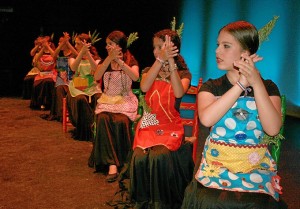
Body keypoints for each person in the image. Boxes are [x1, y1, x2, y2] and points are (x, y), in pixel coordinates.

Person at [181, 21, 286, 209]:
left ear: (245, 53)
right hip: (217, 164)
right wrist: (240, 85)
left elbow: (272, 129)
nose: (217, 51)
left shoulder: (269, 88)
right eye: (218, 45)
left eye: (226, 46)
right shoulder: (211, 87)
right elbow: (206, 119)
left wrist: (256, 83)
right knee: (210, 201)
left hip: (255, 165)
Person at [130, 29, 194, 209]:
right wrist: (160, 60)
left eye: (161, 47)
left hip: (170, 122)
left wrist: (171, 61)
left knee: (159, 155)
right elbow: (143, 87)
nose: (156, 51)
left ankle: (160, 202)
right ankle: (143, 201)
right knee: (140, 156)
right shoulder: (149, 70)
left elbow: (179, 92)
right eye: (155, 48)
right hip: (150, 119)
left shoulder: (183, 74)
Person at [88, 30, 139, 183]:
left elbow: (136, 77)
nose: (106, 47)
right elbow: (96, 77)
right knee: (102, 118)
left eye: (110, 44)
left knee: (121, 121)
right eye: (107, 44)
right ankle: (111, 163)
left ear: (118, 46)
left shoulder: (131, 60)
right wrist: (109, 59)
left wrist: (121, 62)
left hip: (124, 100)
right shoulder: (106, 61)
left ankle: (122, 160)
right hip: (107, 100)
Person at [66, 33, 101, 141]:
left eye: (77, 43)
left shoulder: (96, 57)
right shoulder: (73, 57)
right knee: (81, 99)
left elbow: (96, 69)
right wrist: (81, 53)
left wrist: (88, 53)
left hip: (91, 86)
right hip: (77, 86)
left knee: (99, 97)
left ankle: (98, 127)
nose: (75, 46)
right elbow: (73, 67)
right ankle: (87, 128)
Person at [41, 32, 78, 121]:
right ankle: (61, 114)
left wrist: (67, 42)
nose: (59, 44)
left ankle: (70, 114)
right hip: (61, 78)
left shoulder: (72, 54)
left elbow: (77, 54)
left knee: (65, 88)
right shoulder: (59, 54)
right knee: (58, 88)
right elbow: (53, 55)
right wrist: (62, 44)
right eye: (58, 42)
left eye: (60, 42)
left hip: (72, 78)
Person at [30, 35, 57, 110]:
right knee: (36, 84)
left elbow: (55, 56)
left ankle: (47, 103)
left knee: (47, 82)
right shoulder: (41, 52)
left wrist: (48, 47)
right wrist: (42, 47)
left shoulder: (53, 51)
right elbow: (36, 57)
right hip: (42, 73)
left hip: (51, 73)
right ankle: (39, 102)